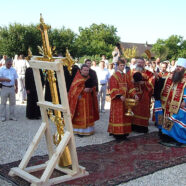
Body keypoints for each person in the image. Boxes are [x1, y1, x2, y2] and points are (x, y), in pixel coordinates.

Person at [156, 58, 186, 146]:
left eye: (180, 67)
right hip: (167, 103)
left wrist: (184, 102)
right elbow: (162, 83)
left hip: (179, 105)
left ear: (184, 68)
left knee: (174, 121)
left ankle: (176, 138)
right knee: (164, 118)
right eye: (177, 66)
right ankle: (166, 136)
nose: (177, 68)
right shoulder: (171, 75)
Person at [108, 58, 138, 140]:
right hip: (117, 101)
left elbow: (131, 86)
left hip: (126, 100)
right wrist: (119, 95)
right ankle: (117, 134)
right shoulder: (113, 76)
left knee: (125, 116)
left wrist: (134, 94)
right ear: (117, 66)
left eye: (123, 65)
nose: (122, 67)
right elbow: (113, 88)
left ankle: (125, 132)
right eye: (121, 65)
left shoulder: (126, 76)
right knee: (118, 116)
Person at [68, 64, 99, 136]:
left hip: (88, 100)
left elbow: (94, 88)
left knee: (88, 114)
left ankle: (88, 130)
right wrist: (83, 89)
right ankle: (79, 130)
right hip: (80, 101)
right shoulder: (77, 79)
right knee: (81, 115)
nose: (86, 72)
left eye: (87, 70)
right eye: (84, 70)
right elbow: (73, 91)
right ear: (81, 70)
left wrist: (91, 89)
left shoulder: (89, 77)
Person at [130, 57, 155, 133]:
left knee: (143, 111)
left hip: (144, 95)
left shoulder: (149, 73)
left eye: (141, 62)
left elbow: (152, 83)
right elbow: (127, 81)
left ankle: (142, 128)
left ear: (144, 63)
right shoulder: (131, 72)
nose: (140, 64)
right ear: (136, 63)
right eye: (139, 62)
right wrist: (132, 81)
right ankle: (132, 126)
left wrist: (144, 83)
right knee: (133, 110)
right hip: (133, 94)